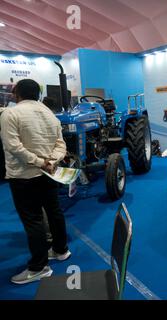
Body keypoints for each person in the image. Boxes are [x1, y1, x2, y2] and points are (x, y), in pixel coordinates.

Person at [0, 79, 71, 285]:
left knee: (33, 220)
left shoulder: (10, 114)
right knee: (54, 212)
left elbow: (13, 146)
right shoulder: (49, 114)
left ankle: (38, 267)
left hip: (24, 176)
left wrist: (40, 162)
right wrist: (51, 162)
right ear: (38, 94)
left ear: (16, 93)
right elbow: (61, 144)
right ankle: (61, 250)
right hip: (49, 173)